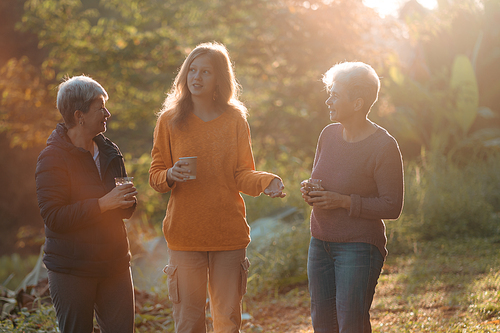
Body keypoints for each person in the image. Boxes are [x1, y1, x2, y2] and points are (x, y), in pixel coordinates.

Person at [149, 42, 286, 333]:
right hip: (185, 236)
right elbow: (155, 176)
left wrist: (266, 181)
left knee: (227, 320)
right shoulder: (169, 120)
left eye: (206, 72)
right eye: (192, 70)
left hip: (228, 235)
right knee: (188, 322)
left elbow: (241, 174)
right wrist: (171, 174)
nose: (196, 77)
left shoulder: (235, 119)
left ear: (218, 79)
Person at [301, 62, 404, 333]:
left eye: (335, 95)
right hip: (319, 243)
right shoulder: (328, 134)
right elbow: (323, 180)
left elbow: (392, 206)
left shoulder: (384, 146)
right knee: (322, 324)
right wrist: (310, 190)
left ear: (357, 103)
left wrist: (343, 201)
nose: (328, 100)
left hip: (358, 247)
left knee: (351, 325)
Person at [35, 75, 138, 333]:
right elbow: (54, 217)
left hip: (114, 264)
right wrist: (103, 204)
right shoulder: (52, 158)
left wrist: (126, 202)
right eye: (100, 107)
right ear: (79, 115)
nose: (108, 113)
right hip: (72, 268)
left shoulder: (109, 151)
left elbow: (124, 211)